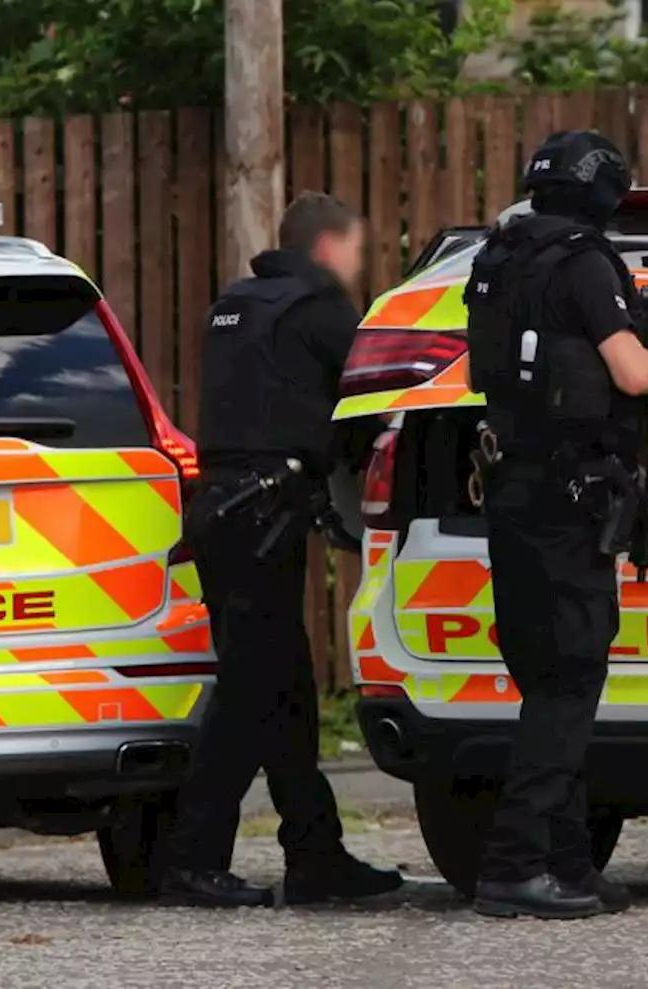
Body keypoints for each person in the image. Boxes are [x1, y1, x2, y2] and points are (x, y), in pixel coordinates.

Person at [462, 131, 648, 920]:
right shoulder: (584, 261)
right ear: (605, 193)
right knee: (571, 678)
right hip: (570, 496)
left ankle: (570, 864)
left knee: (543, 674)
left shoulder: (496, 258)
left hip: (510, 487)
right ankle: (514, 864)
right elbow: (629, 370)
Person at [159, 192, 402, 908]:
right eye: (355, 249)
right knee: (247, 692)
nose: (357, 263)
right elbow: (369, 402)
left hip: (222, 512)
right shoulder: (319, 308)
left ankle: (315, 854)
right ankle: (193, 858)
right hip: (264, 513)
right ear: (327, 247)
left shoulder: (236, 305)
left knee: (283, 689)